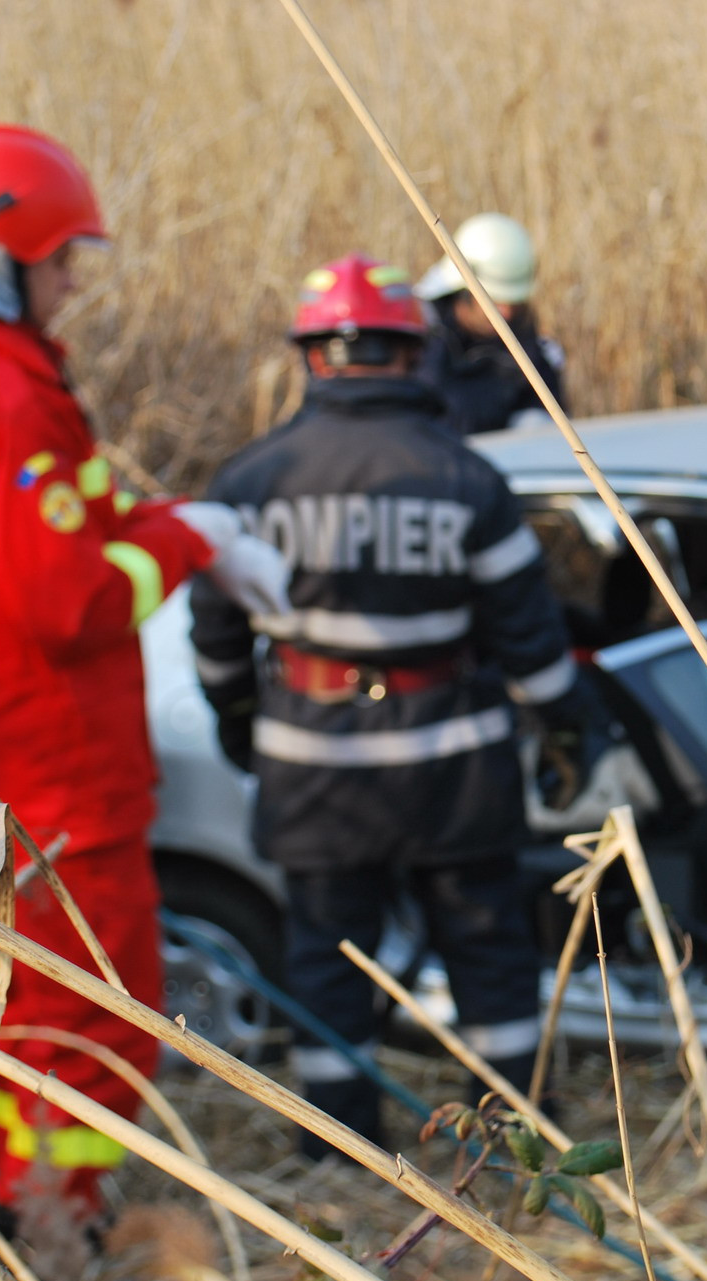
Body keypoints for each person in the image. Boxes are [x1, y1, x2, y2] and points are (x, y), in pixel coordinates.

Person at [0, 124, 289, 1221]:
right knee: (93, 1014)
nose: (70, 286)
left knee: (40, 1004)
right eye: (61, 263)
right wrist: (194, 548)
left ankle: (40, 1195)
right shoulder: (2, 403)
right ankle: (58, 1220)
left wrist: (177, 520)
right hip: (54, 766)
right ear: (3, 257)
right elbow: (74, 601)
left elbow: (69, 528)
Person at [191, 254, 613, 1156]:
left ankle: (339, 1148)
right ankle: (508, 1142)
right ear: (411, 355)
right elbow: (529, 640)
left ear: (313, 359)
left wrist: (238, 720)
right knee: (488, 953)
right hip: (450, 766)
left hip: (312, 766)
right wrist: (567, 724)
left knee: (326, 960)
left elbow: (216, 633)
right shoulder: (466, 480)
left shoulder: (249, 481)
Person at [414, 213, 568, 437]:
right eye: (493, 299)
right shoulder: (418, 341)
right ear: (461, 289)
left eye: (514, 302)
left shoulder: (533, 353)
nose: (505, 313)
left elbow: (543, 423)